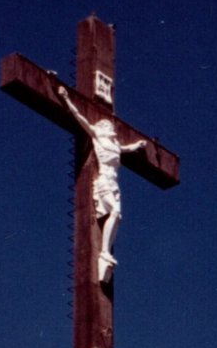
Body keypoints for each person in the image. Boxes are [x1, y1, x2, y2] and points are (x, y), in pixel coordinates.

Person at [54, 81, 147, 282]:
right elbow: (80, 118)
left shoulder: (114, 145)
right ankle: (104, 252)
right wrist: (66, 98)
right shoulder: (98, 137)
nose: (109, 127)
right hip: (104, 181)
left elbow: (127, 149)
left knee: (118, 215)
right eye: (106, 125)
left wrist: (138, 145)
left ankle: (107, 253)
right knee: (114, 212)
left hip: (114, 185)